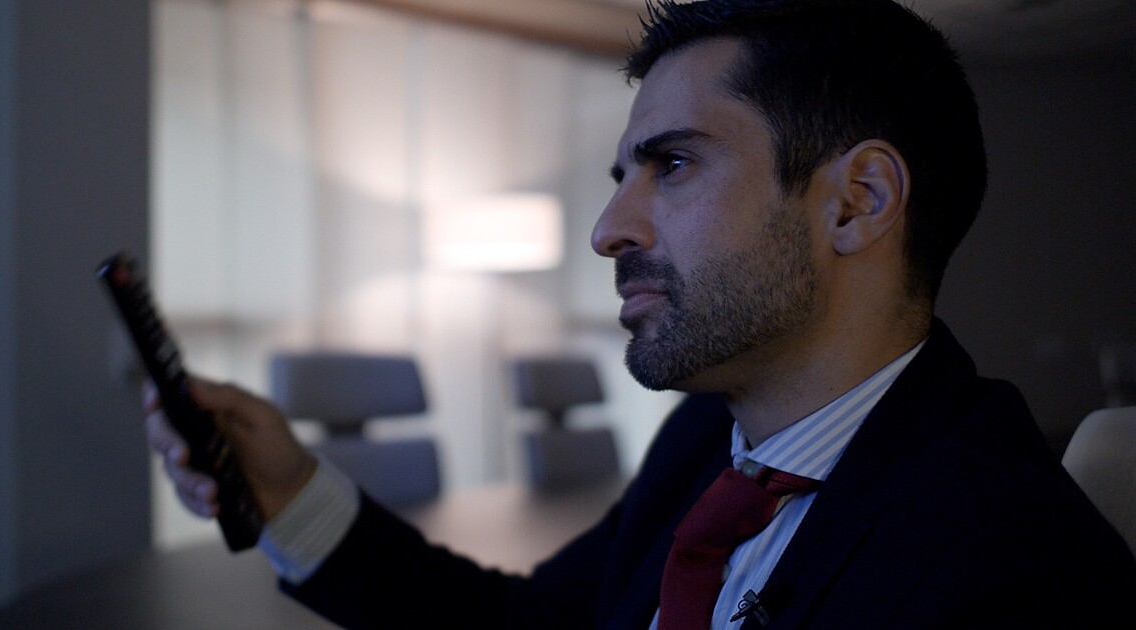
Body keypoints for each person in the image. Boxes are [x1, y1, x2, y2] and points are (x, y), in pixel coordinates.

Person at [147, 1, 1136, 627]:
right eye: (623, 174)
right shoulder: (709, 443)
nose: (609, 229)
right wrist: (291, 493)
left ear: (857, 202)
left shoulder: (1014, 567)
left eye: (673, 163)